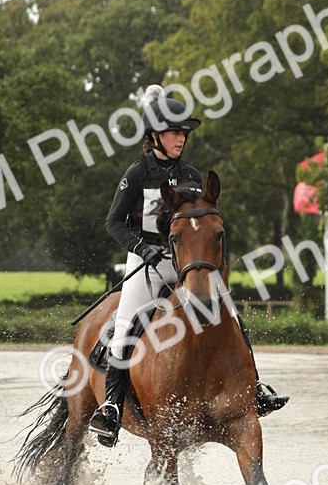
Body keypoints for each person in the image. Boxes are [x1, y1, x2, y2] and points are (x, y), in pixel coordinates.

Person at [88, 84, 288, 446]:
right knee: (125, 325)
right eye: (174, 132)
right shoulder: (136, 173)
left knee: (231, 316)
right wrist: (141, 248)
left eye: (183, 133)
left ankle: (254, 388)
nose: (181, 138)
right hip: (144, 261)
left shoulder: (192, 176)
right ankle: (112, 408)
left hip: (183, 263)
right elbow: (113, 221)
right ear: (154, 135)